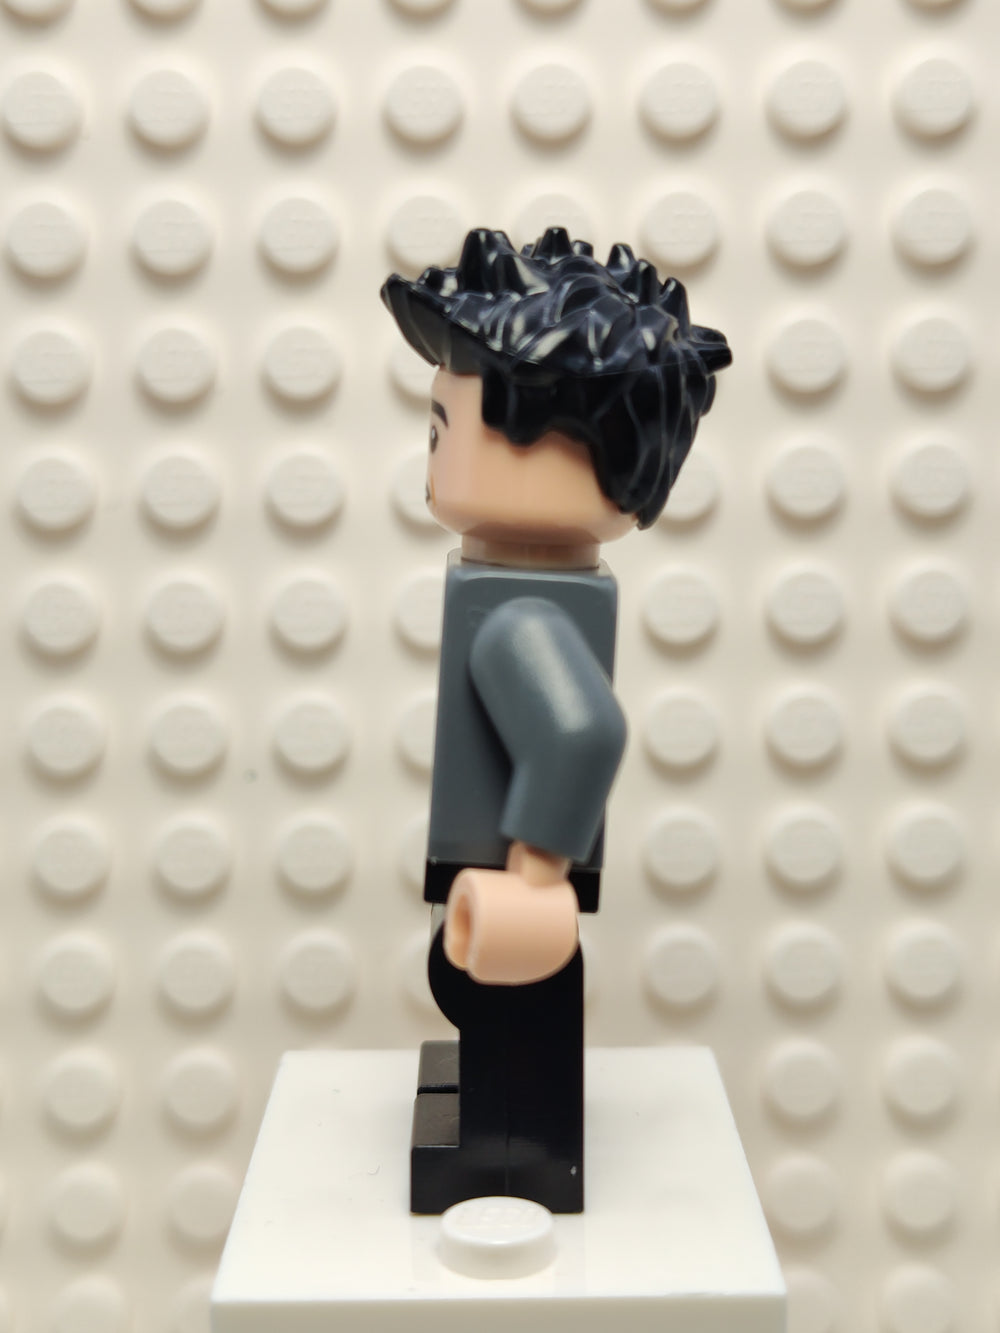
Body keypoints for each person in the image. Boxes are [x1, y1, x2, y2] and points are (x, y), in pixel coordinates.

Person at [381, 226, 731, 1214]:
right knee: (491, 1014)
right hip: (506, 860)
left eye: (445, 430)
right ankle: (503, 1134)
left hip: (514, 872)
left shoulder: (520, 615)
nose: (433, 453)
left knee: (513, 1029)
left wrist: (534, 880)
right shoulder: (520, 591)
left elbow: (580, 732)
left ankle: (511, 1156)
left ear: (551, 440)